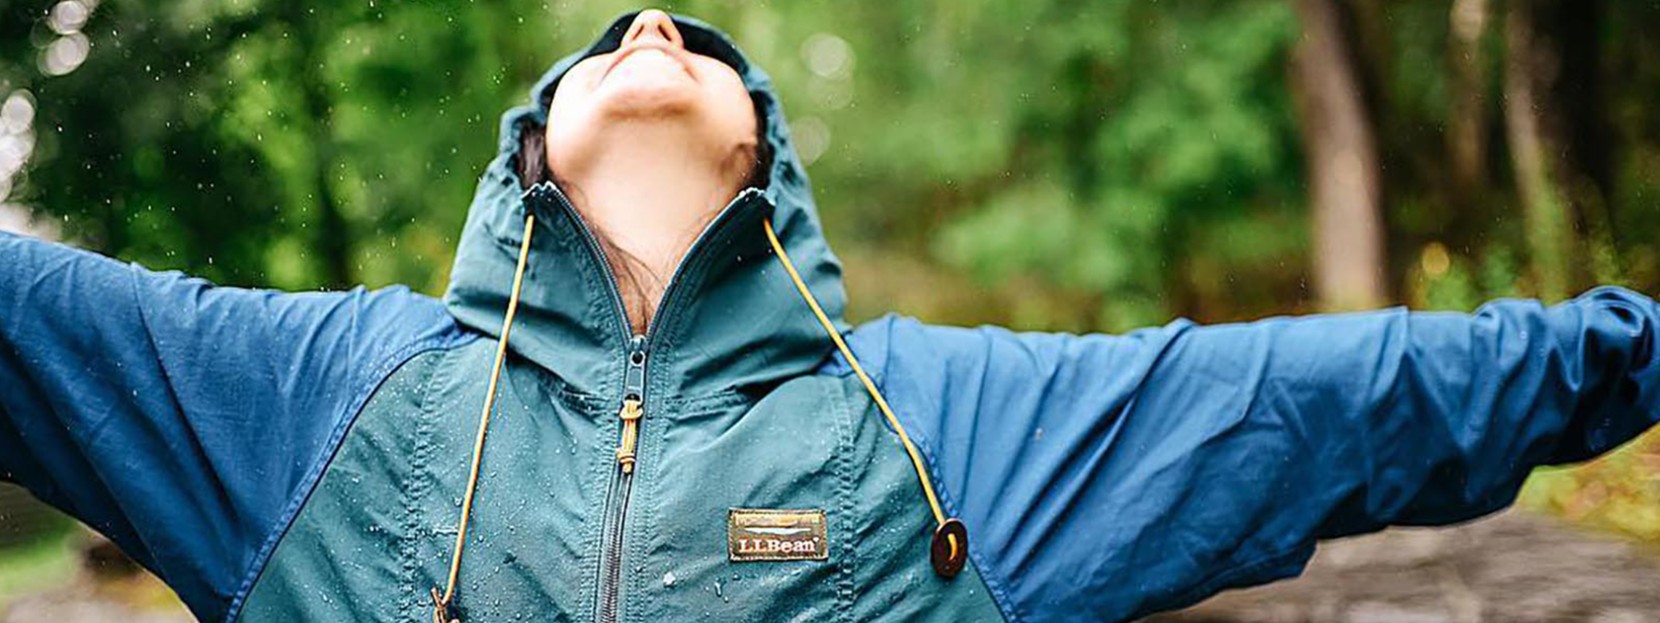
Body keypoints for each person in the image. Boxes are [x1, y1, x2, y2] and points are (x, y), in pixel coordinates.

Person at [2, 9, 1658, 623]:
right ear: (528, 149)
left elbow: (1332, 398)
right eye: (617, 31)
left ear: (766, 154)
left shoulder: (933, 427)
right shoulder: (322, 397)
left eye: (703, 37)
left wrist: (1632, 347)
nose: (654, 18)